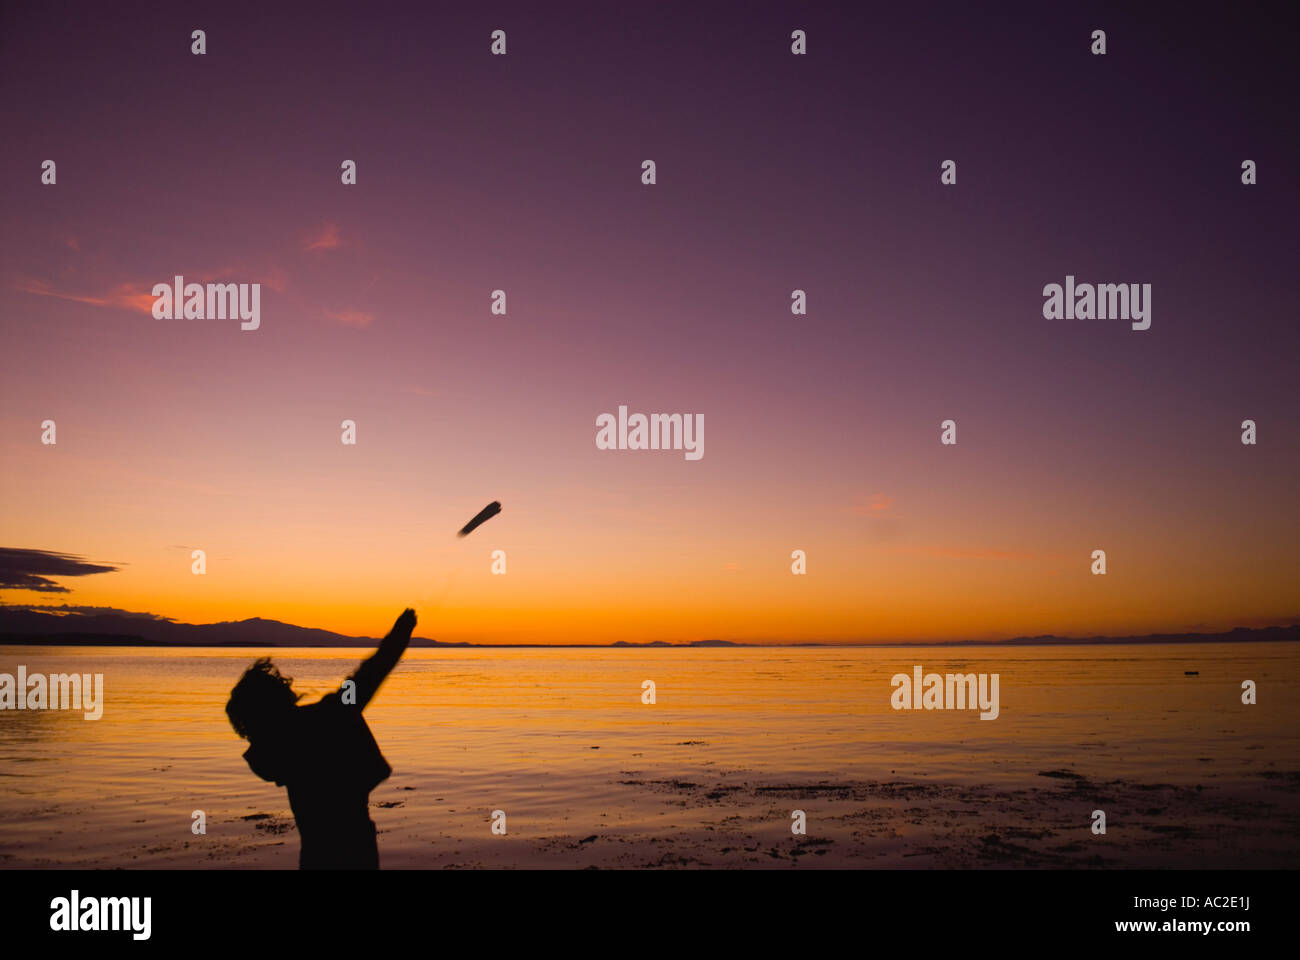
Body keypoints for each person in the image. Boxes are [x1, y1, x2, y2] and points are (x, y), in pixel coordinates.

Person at [225, 608, 417, 869]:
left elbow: (365, 680)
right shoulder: (328, 716)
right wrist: (400, 635)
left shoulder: (273, 750)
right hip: (355, 846)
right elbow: (368, 676)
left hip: (315, 852)